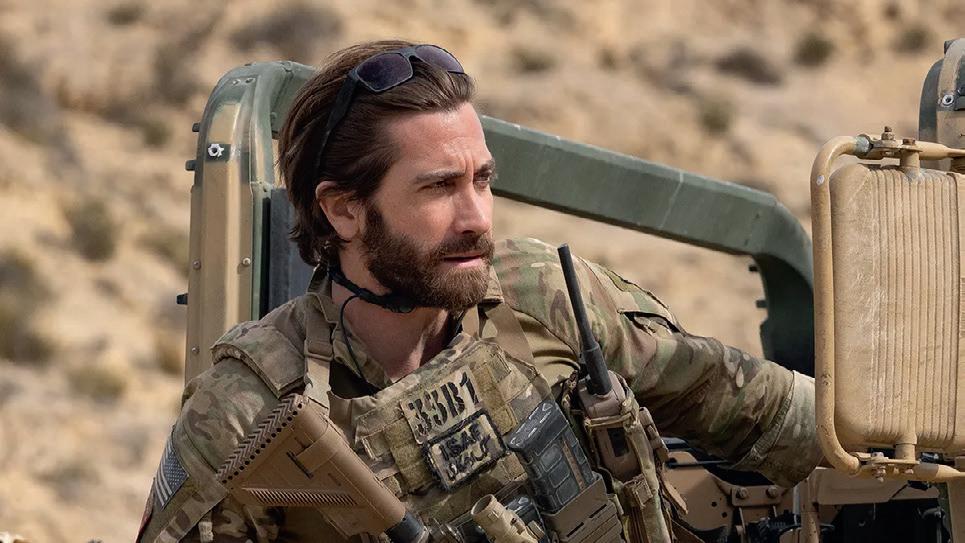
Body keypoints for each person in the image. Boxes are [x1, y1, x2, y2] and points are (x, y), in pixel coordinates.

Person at [137, 40, 821, 542]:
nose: (476, 218)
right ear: (343, 210)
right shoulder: (247, 413)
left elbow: (764, 411)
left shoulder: (545, 296)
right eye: (439, 187)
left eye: (482, 180)